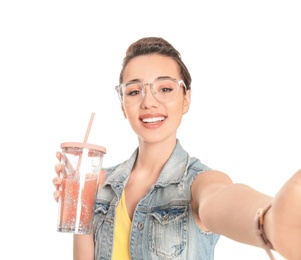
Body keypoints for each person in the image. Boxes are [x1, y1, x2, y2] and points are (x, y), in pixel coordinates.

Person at [53, 36, 301, 260]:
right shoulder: (100, 184)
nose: (149, 102)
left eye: (165, 88)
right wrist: (79, 202)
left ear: (186, 99)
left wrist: (268, 220)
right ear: (122, 106)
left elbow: (220, 199)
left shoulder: (199, 183)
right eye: (135, 91)